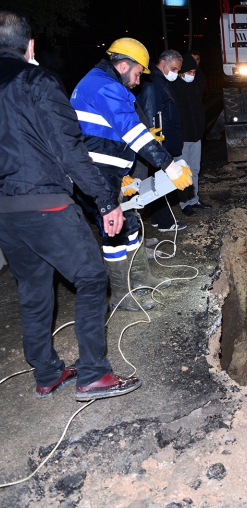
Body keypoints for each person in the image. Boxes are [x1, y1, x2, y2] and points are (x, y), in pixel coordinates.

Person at [0, 11, 141, 400]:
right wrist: (106, 201)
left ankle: (46, 373)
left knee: (32, 288)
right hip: (46, 202)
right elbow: (70, 148)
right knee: (92, 278)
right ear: (30, 46)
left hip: (6, 213)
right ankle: (94, 374)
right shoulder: (36, 79)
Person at [71, 39, 192, 311]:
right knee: (114, 231)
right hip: (95, 175)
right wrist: (169, 167)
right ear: (123, 65)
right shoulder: (105, 86)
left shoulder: (100, 83)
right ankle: (122, 296)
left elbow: (104, 133)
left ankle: (141, 278)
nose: (138, 81)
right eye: (138, 73)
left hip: (104, 172)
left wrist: (120, 174)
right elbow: (132, 133)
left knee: (130, 221)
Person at [137, 49, 191, 228]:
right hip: (159, 142)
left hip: (165, 140)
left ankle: (157, 219)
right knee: (161, 182)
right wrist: (156, 144)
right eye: (174, 69)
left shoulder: (161, 81)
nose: (176, 73)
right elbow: (149, 115)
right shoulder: (153, 84)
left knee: (156, 180)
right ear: (163, 63)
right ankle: (165, 222)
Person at [171, 53, 211, 216]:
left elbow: (199, 108)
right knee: (182, 172)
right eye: (190, 72)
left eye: (194, 72)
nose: (192, 75)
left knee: (195, 169)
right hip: (182, 138)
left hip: (195, 136)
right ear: (182, 72)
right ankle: (184, 203)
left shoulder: (194, 86)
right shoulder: (174, 88)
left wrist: (201, 128)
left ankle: (194, 199)